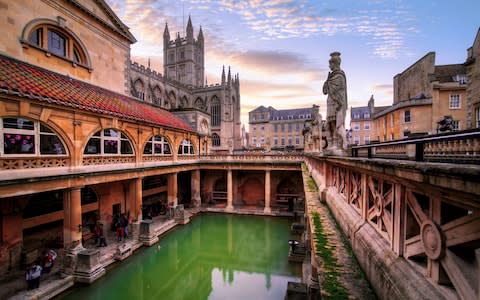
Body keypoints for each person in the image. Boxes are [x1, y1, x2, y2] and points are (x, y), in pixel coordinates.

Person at [322, 51, 348, 150]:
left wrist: (339, 103)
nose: (329, 66)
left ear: (335, 63)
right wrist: (327, 81)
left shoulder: (340, 75)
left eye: (330, 64)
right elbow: (324, 90)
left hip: (336, 102)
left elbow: (340, 91)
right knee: (330, 124)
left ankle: (337, 144)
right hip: (329, 101)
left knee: (336, 123)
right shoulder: (331, 76)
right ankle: (332, 144)